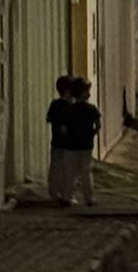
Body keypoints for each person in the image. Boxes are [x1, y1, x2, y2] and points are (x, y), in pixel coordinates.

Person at [60, 77, 101, 207]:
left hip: (70, 145)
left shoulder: (69, 110)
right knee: (86, 172)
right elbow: (98, 125)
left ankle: (67, 197)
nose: (89, 93)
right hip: (86, 145)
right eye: (87, 91)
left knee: (70, 172)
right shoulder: (92, 109)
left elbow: (63, 128)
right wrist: (92, 134)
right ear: (83, 92)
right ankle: (89, 198)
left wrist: (68, 137)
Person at [47, 75, 74, 204]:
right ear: (68, 90)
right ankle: (65, 194)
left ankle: (54, 193)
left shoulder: (55, 104)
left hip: (56, 142)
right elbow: (66, 127)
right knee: (67, 170)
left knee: (55, 168)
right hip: (67, 144)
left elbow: (49, 119)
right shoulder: (69, 107)